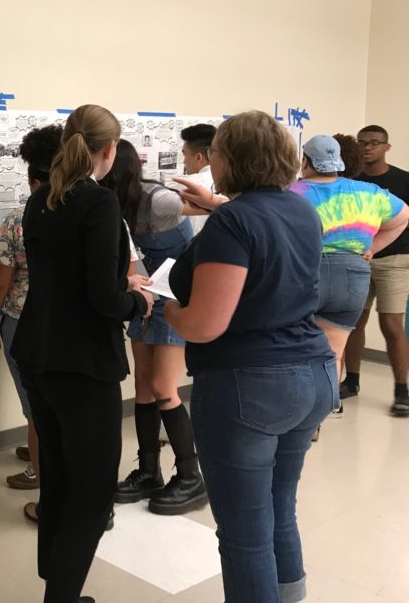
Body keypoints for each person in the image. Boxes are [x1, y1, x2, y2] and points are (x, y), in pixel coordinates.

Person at [164, 111, 335, 603]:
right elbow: (261, 231)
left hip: (250, 387)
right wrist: (218, 207)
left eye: (213, 152)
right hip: (314, 373)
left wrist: (167, 308)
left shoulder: (232, 222)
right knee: (280, 506)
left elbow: (205, 325)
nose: (208, 160)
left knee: (244, 534)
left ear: (228, 158)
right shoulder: (301, 209)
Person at [13, 105, 152, 603]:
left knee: (59, 476)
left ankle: (58, 582)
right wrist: (140, 297)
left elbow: (67, 279)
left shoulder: (40, 200)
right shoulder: (99, 204)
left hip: (37, 354)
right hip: (83, 363)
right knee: (92, 492)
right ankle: (63, 598)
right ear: (110, 151)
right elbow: (103, 301)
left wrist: (119, 283)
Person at [100, 140, 207, 516]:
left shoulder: (157, 199)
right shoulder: (110, 201)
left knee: (164, 388)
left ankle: (191, 477)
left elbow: (211, 209)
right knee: (142, 388)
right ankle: (149, 471)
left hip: (173, 297)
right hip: (143, 296)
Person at [291, 135, 408, 426]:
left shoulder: (293, 192)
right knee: (333, 349)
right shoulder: (370, 192)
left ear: (305, 161)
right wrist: (372, 249)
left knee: (301, 346)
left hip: (309, 273)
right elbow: (404, 215)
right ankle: (327, 406)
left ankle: (307, 418)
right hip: (353, 275)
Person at [0, 123, 63, 508]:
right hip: (75, 325)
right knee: (66, 404)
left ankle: (41, 479)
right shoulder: (99, 210)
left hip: (23, 323)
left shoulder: (20, 218)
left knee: (37, 408)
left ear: (33, 178)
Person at [342, 125, 409, 416]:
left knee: (392, 324)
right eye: (362, 143)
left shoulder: (403, 180)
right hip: (357, 259)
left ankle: (402, 390)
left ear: (386, 147)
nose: (367, 148)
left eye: (373, 143)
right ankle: (352, 380)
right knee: (354, 321)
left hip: (394, 260)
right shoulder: (351, 180)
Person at [178, 123, 216, 234]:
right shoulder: (232, 184)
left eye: (185, 155)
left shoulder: (186, 185)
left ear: (198, 157)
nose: (184, 162)